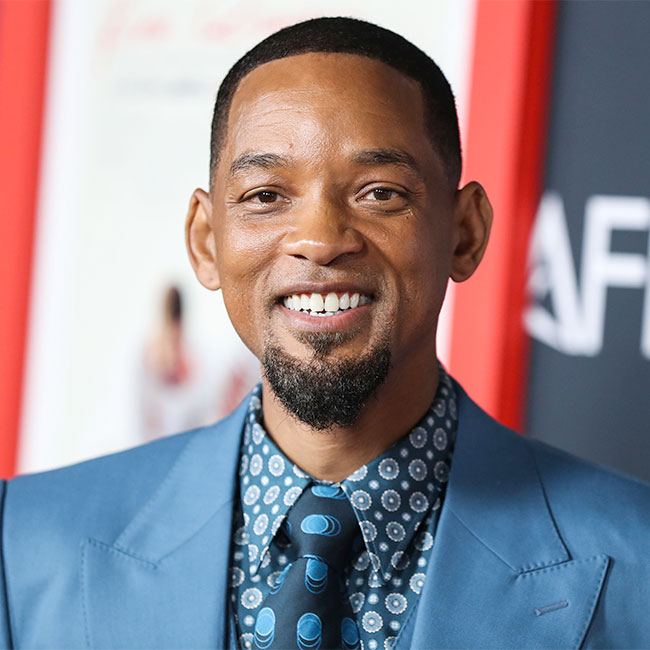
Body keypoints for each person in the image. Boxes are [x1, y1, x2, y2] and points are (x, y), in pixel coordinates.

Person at [1, 17, 648, 650]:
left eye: (380, 193)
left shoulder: (636, 561)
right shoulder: (21, 544)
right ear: (205, 240)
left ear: (465, 232)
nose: (319, 239)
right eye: (265, 195)